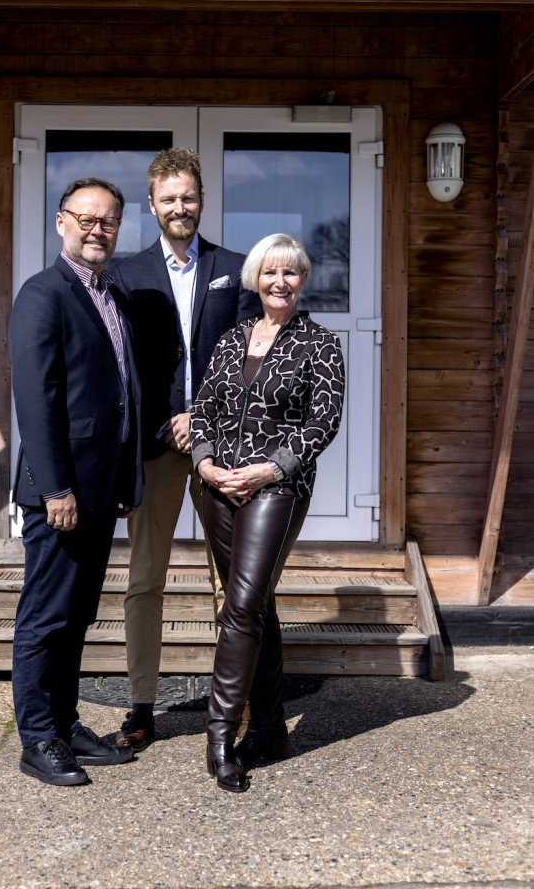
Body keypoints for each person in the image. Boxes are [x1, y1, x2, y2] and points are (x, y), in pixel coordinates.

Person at [110, 148, 261, 751]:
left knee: (231, 581)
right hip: (156, 447)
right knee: (144, 579)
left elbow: (252, 357)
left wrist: (204, 416)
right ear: (152, 205)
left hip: (221, 444)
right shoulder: (126, 274)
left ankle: (236, 703)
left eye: (189, 197)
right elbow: (121, 366)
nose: (180, 207)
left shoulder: (237, 267)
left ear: (202, 200)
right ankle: (141, 706)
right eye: (168, 198)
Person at [189, 233, 345, 793]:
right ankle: (273, 730)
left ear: (303, 280)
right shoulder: (232, 340)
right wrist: (206, 464)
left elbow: (321, 423)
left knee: (240, 604)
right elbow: (203, 408)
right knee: (258, 608)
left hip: (277, 488)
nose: (280, 283)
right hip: (219, 488)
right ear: (256, 279)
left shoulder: (321, 345)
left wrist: (267, 470)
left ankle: (219, 735)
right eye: (270, 273)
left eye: (292, 273)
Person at [9, 177, 142, 786]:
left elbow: (116, 394)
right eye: (85, 219)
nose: (97, 229)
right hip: (60, 494)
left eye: (108, 221)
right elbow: (36, 402)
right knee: (45, 616)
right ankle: (37, 738)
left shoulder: (109, 293)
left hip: (98, 489)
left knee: (77, 614)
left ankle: (63, 724)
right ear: (61, 222)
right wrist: (54, 489)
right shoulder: (44, 293)